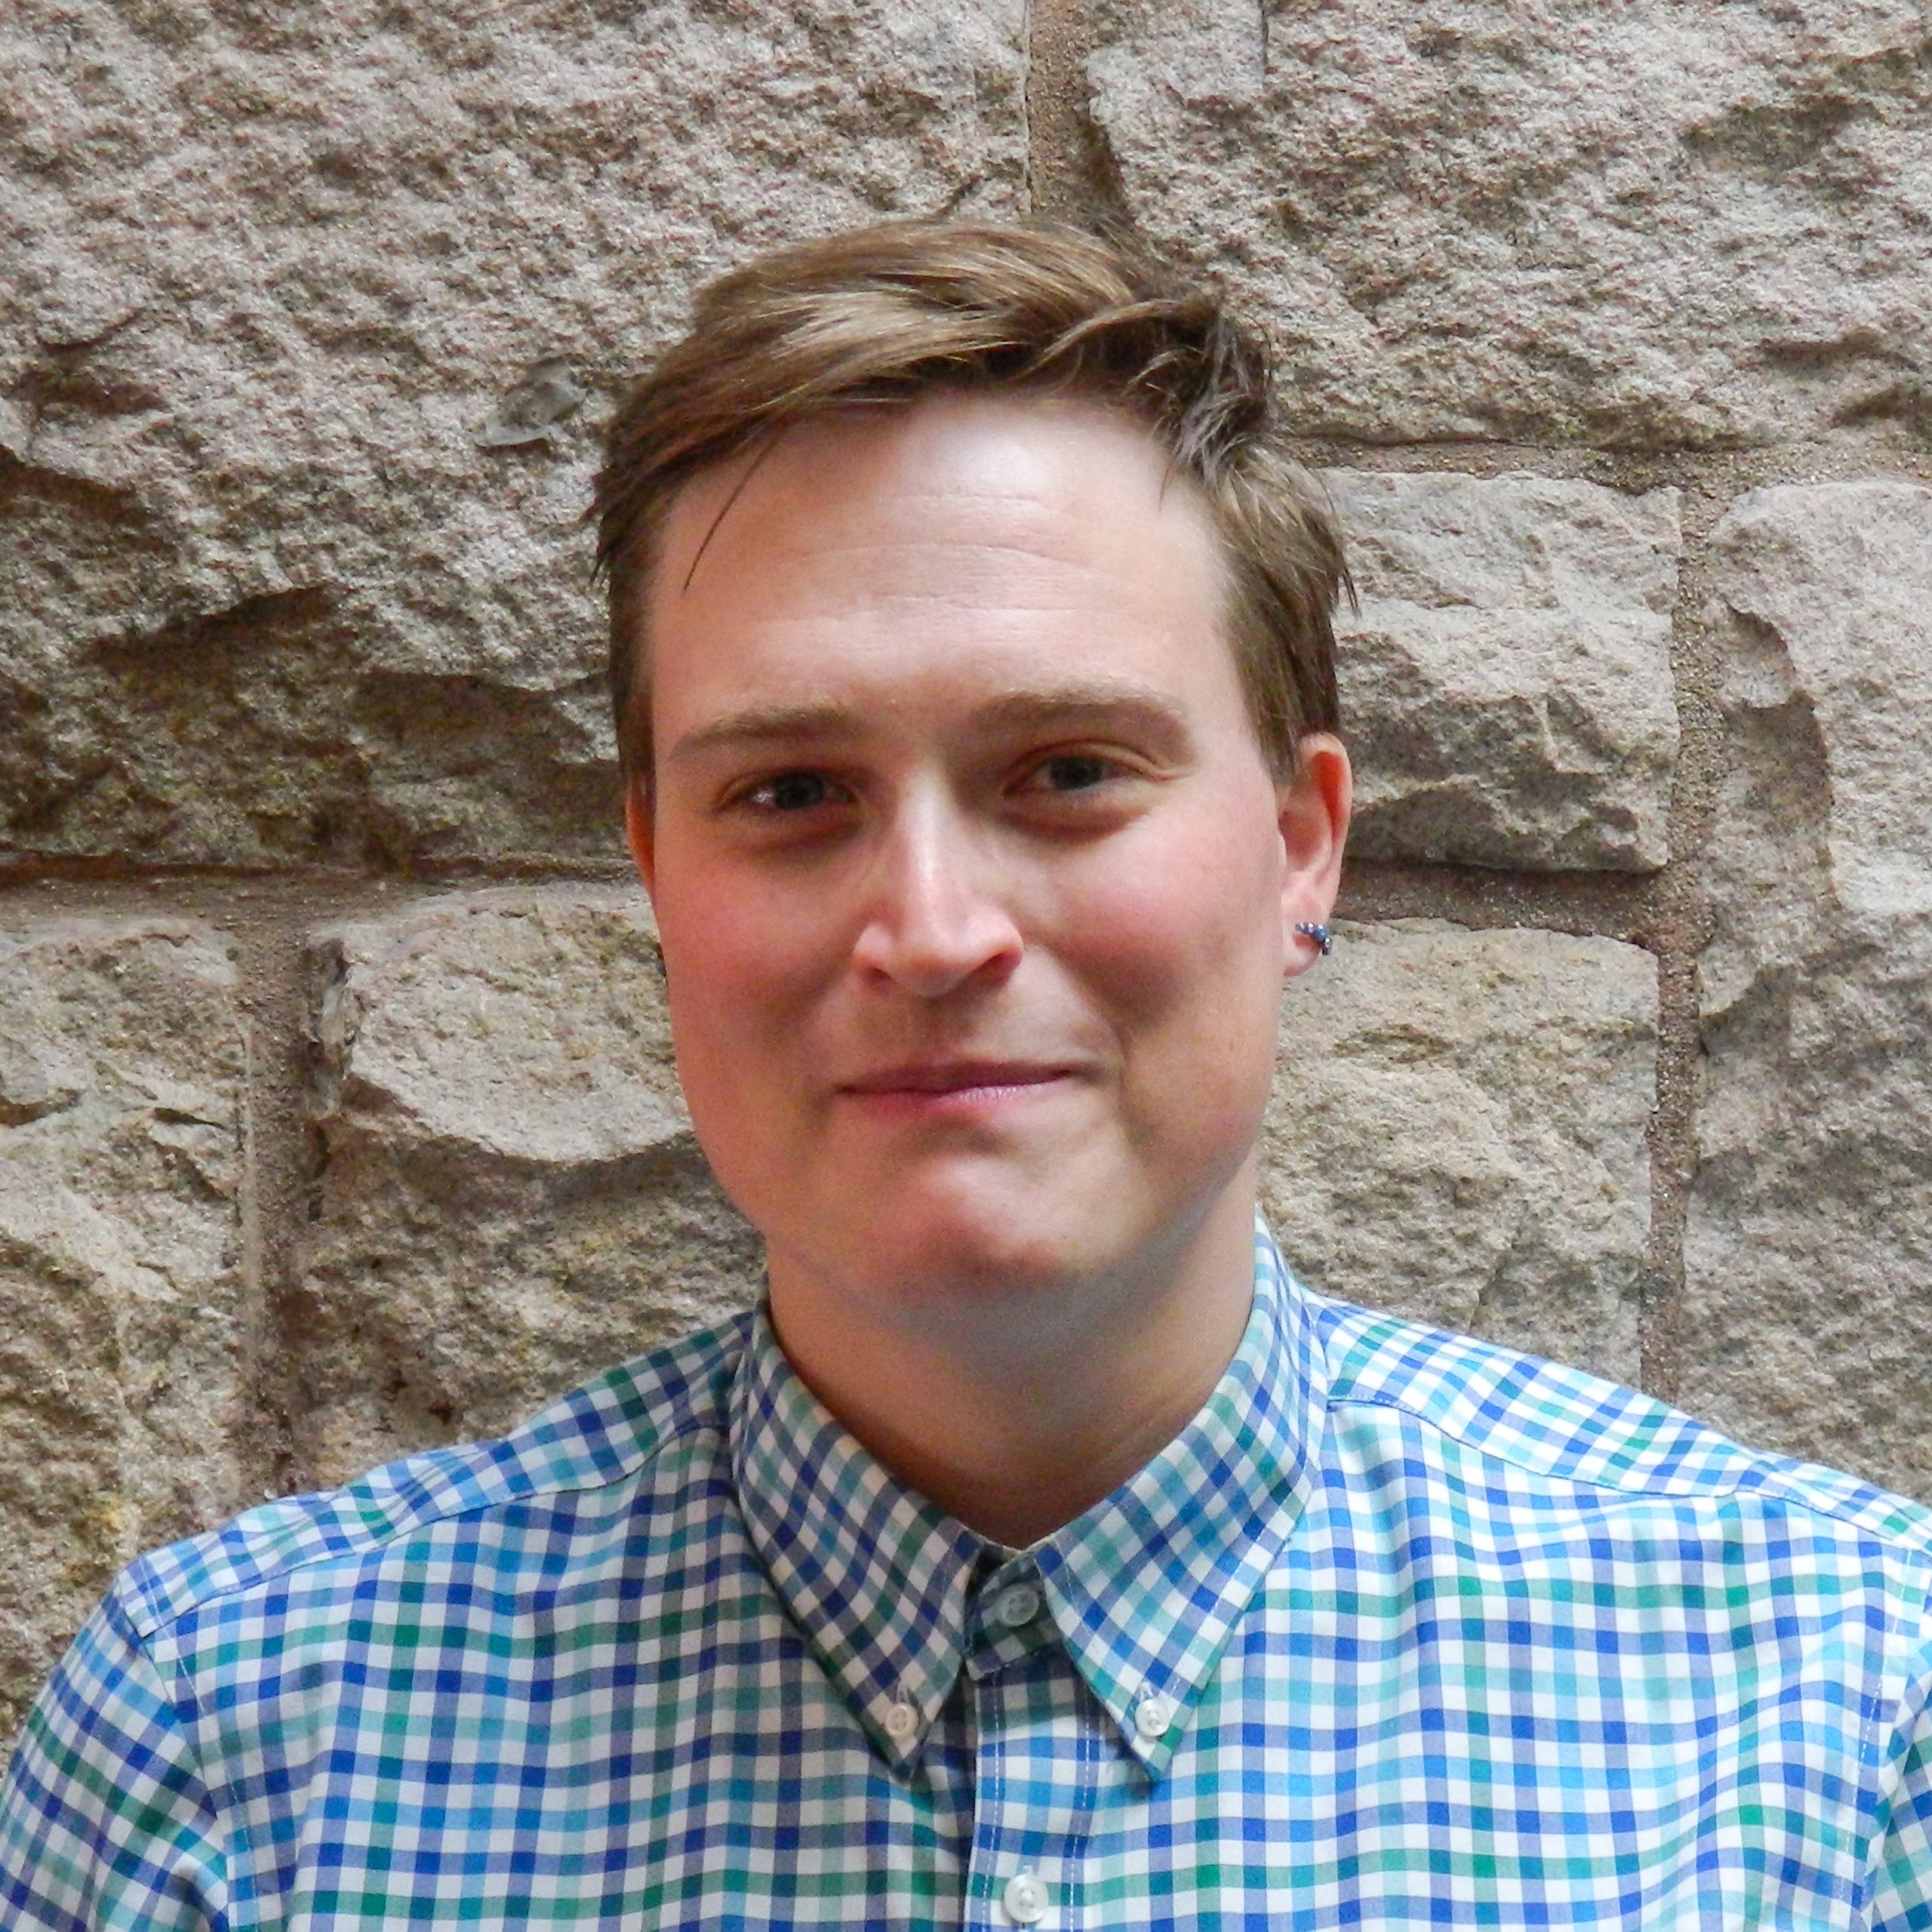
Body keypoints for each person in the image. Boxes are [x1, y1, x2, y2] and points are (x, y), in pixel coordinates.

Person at [1, 219, 1927, 1930]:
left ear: (1299, 847)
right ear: (660, 873)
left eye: (1067, 770)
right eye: (790, 791)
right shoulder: (234, 1748)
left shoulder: (1828, 1707)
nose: (930, 927)